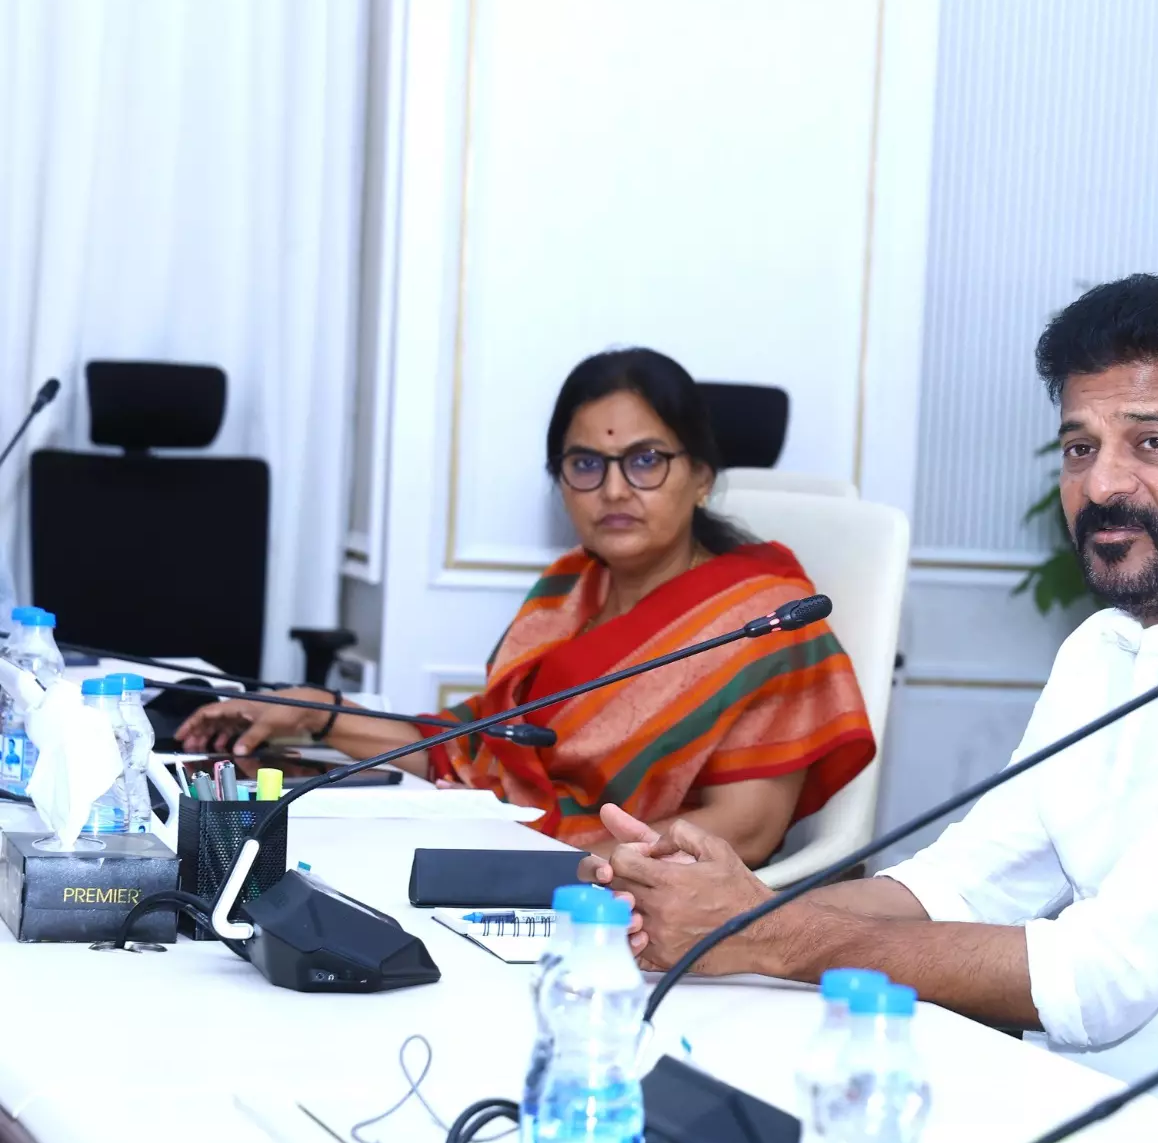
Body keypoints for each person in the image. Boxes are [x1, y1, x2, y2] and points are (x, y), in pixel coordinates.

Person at [583, 274, 1158, 1125]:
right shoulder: (1104, 649)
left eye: (1151, 443)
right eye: (1079, 448)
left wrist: (759, 934)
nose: (1103, 484)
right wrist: (720, 903)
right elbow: (961, 886)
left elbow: (1098, 980)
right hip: (1072, 1108)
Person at [177, 348, 876, 862]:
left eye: (645, 460)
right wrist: (316, 712)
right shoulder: (571, 590)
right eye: (585, 464)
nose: (613, 490)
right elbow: (478, 748)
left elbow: (746, 830)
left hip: (630, 900)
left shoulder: (766, 621)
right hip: (513, 850)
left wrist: (540, 860)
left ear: (700, 477)